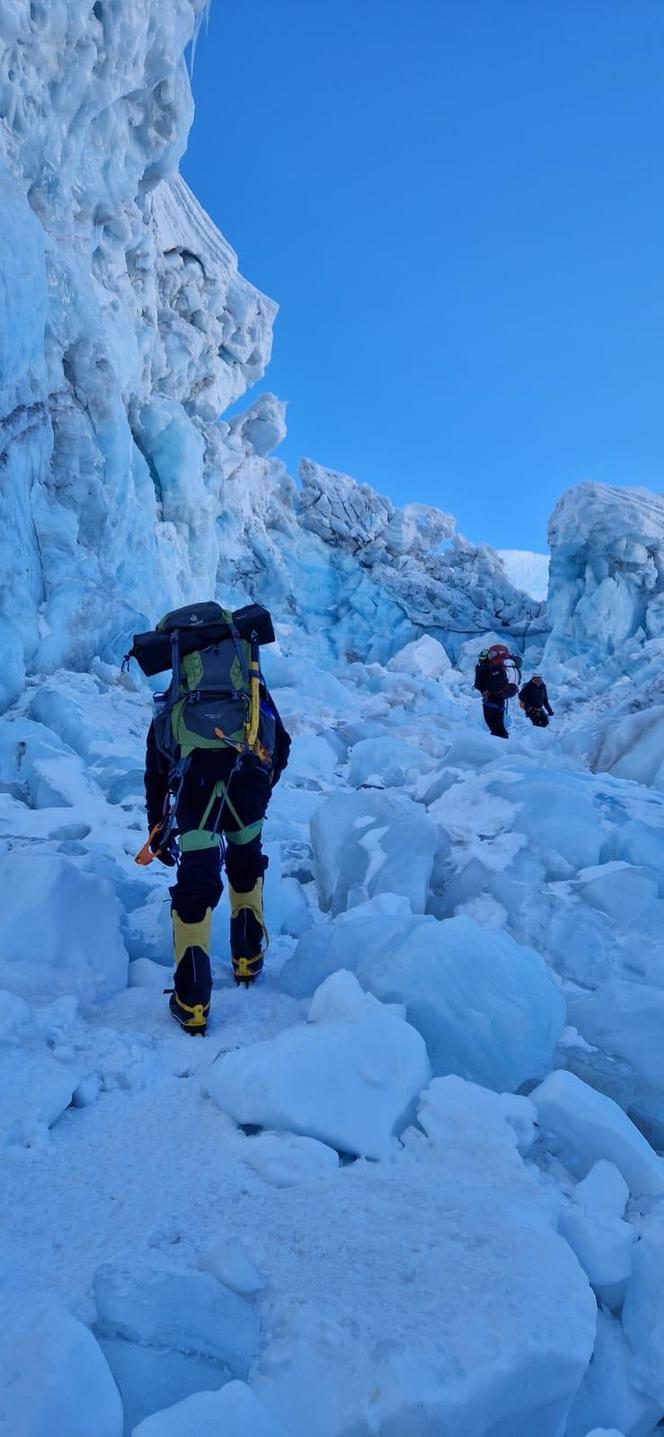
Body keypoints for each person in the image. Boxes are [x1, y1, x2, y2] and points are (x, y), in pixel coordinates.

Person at [141, 603, 291, 1035]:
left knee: (197, 881)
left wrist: (159, 821)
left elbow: (157, 760)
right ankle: (248, 960)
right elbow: (279, 740)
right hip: (248, 784)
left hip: (197, 786)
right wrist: (263, 786)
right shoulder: (251, 685)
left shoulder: (181, 693)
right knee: (246, 861)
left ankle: (192, 1002)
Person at [474, 643, 520, 739]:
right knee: (497, 726)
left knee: (495, 727)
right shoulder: (499, 667)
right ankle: (501, 745)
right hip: (499, 698)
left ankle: (499, 747)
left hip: (492, 700)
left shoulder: (489, 667)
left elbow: (479, 684)